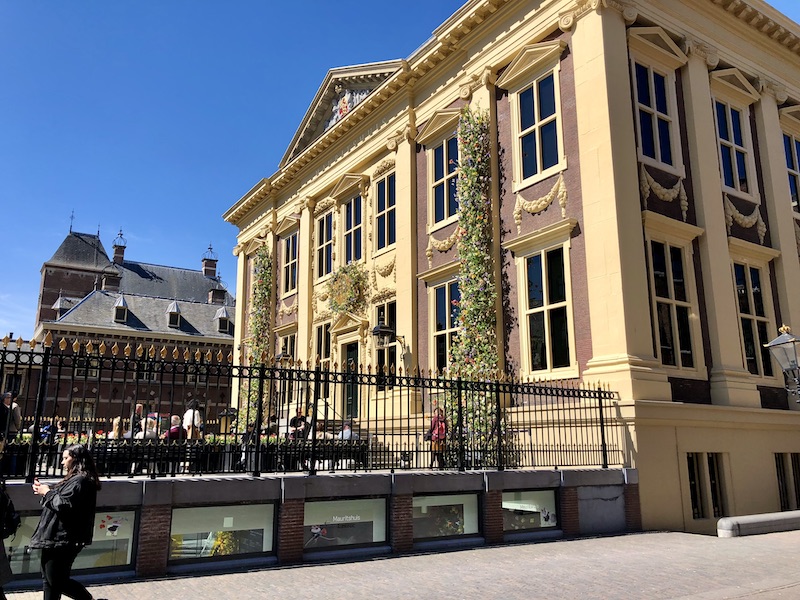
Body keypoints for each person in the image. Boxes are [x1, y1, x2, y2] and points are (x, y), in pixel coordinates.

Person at [30, 444, 105, 600]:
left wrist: (47, 492)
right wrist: (44, 492)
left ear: (76, 459)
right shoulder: (74, 479)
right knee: (49, 580)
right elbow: (61, 500)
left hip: (64, 539)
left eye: (65, 458)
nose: (62, 462)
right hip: (54, 537)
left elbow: (64, 505)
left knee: (57, 580)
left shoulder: (81, 481)